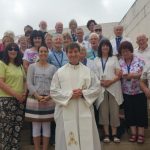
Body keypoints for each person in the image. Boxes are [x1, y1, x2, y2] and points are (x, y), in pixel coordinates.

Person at [50, 42, 101, 150]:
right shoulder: (59, 72)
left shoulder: (88, 71)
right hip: (66, 111)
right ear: (66, 53)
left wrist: (83, 93)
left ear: (80, 53)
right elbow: (53, 92)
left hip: (84, 110)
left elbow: (97, 88)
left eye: (75, 52)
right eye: (70, 52)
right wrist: (70, 94)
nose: (73, 54)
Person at [25, 45, 57, 150]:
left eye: (45, 51)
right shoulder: (32, 67)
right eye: (41, 51)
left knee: (47, 126)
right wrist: (37, 96)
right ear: (38, 53)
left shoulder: (53, 68)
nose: (43, 53)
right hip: (35, 99)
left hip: (48, 99)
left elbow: (55, 85)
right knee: (36, 127)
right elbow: (29, 83)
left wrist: (49, 96)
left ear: (48, 53)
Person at [94, 39, 123, 143]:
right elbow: (94, 75)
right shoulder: (96, 60)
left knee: (114, 111)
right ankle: (106, 134)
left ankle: (114, 134)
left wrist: (110, 82)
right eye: (103, 45)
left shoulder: (114, 58)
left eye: (107, 45)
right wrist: (102, 83)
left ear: (110, 47)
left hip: (113, 88)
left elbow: (119, 74)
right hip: (101, 88)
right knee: (103, 111)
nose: (105, 47)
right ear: (100, 47)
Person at [119, 41, 148, 144]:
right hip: (126, 92)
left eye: (127, 51)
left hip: (139, 91)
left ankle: (141, 134)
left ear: (131, 50)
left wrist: (133, 75)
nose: (125, 53)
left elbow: (144, 73)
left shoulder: (139, 60)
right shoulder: (120, 62)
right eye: (123, 51)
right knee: (130, 113)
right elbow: (118, 74)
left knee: (140, 113)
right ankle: (133, 134)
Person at [0, 43, 26, 149]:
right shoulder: (2, 64)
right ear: (6, 51)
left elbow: (25, 81)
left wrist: (24, 93)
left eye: (15, 49)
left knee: (17, 128)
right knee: (6, 129)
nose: (13, 51)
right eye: (10, 49)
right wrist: (16, 94)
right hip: (6, 101)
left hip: (20, 101)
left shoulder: (20, 65)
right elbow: (1, 83)